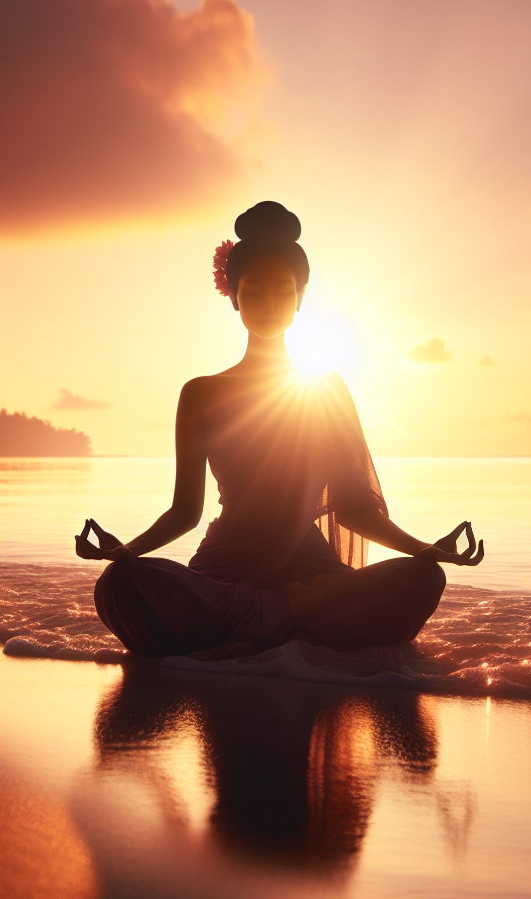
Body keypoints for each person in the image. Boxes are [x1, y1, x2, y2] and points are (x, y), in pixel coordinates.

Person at [75, 201, 483, 657]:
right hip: (226, 571)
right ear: (232, 296)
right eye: (253, 292)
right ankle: (290, 614)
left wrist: (424, 548)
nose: (268, 305)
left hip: (312, 572)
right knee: (120, 585)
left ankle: (263, 617)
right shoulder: (201, 393)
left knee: (422, 579)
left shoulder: (325, 390)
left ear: (300, 296)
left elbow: (354, 510)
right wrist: (126, 551)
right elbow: (185, 512)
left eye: (282, 291)